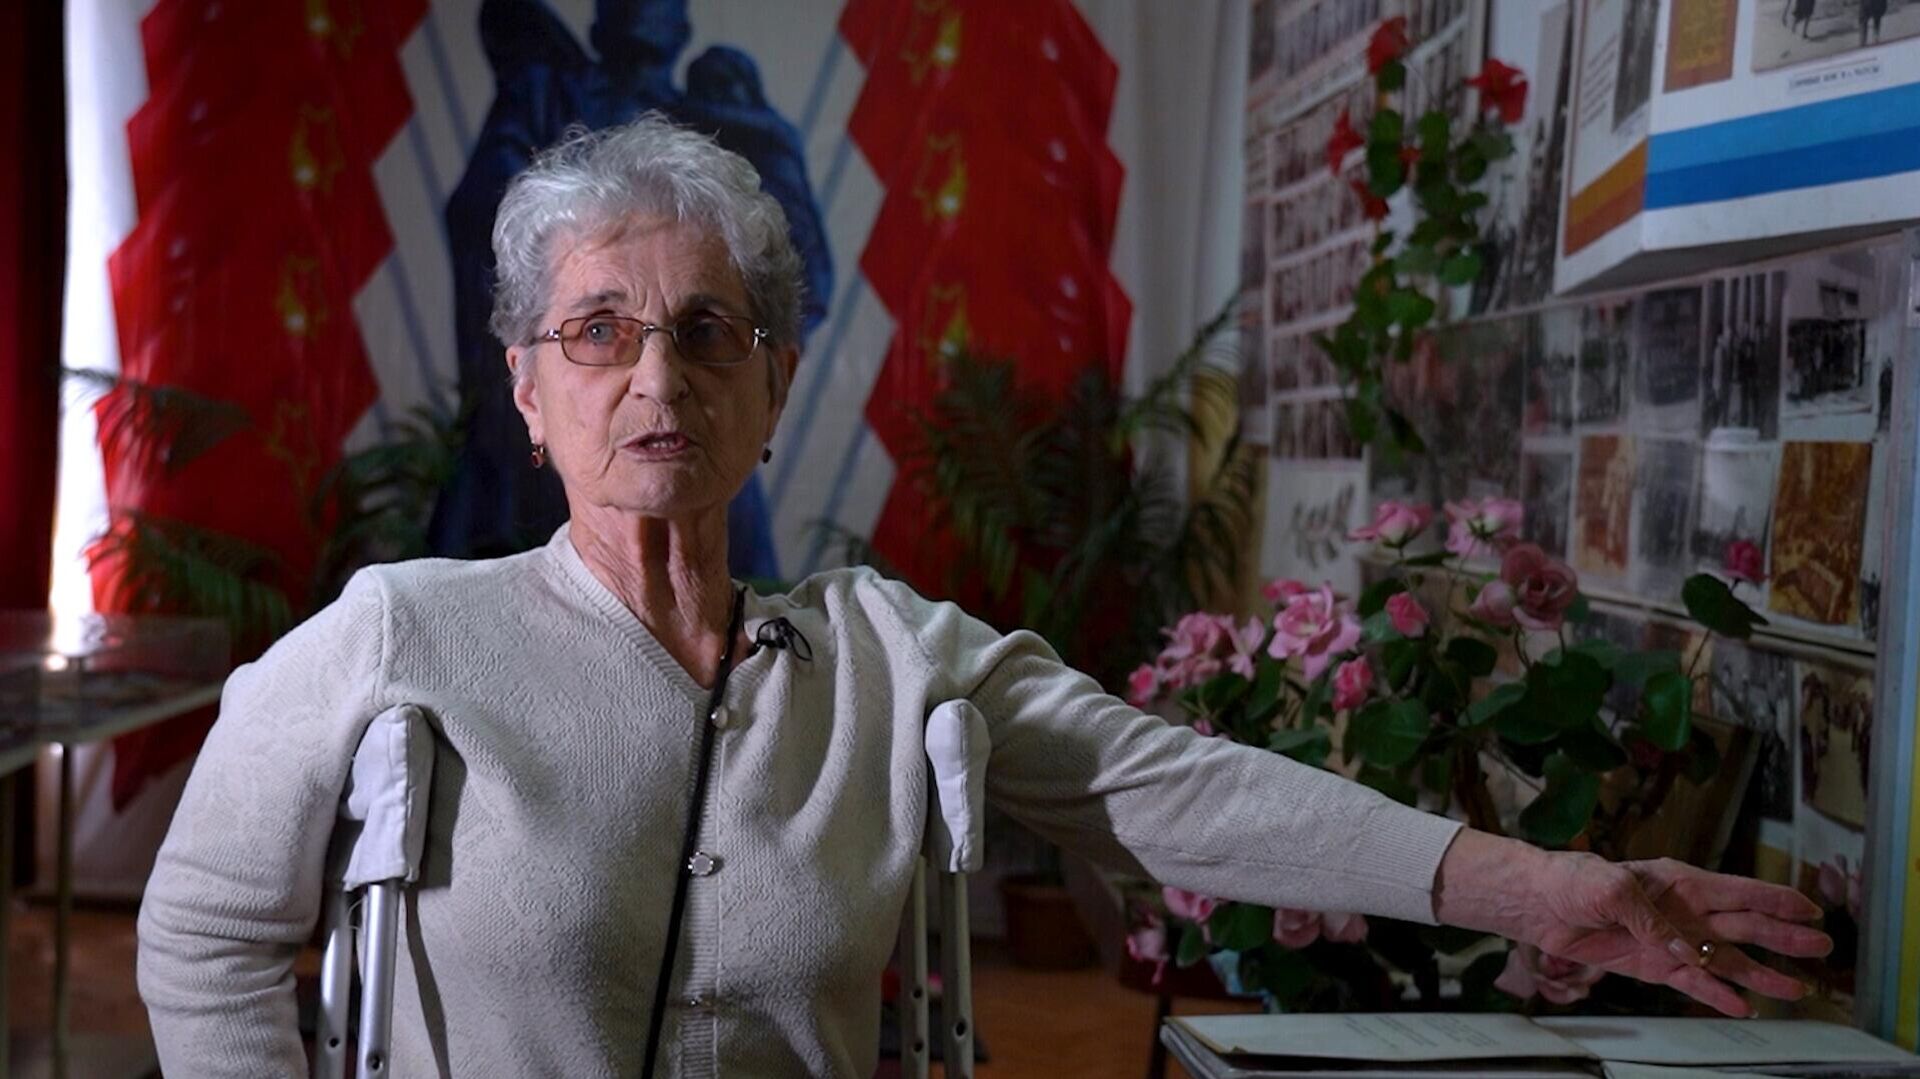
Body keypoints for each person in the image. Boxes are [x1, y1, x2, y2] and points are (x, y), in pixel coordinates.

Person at [137, 115, 1830, 1078]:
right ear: (528, 385)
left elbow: (1185, 793)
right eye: (599, 330)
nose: (657, 376)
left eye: (709, 331)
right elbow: (205, 932)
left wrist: (1548, 889)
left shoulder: (888, 656)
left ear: (774, 382)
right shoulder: (406, 633)